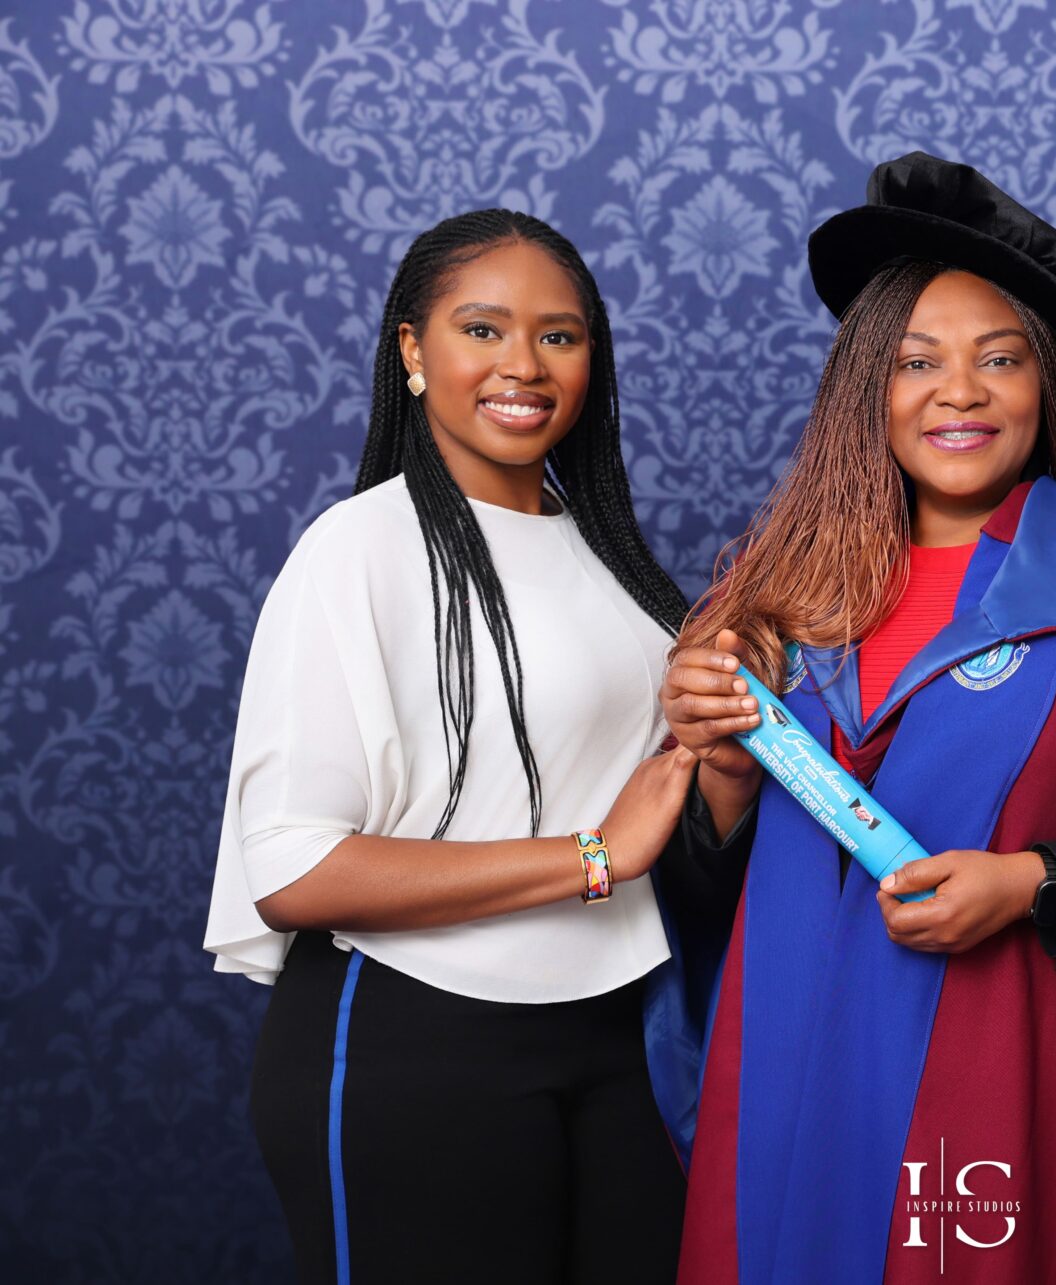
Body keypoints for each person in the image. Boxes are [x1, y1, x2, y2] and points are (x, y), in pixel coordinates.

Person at [654, 153, 1056, 1285]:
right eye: (916, 362)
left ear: (1046, 386)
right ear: (867, 387)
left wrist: (1035, 885)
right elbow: (696, 893)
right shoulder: (772, 599)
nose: (956, 393)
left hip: (1017, 1071)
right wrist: (715, 770)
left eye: (998, 359)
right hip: (790, 1069)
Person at [203, 209, 728, 1284]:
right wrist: (593, 855)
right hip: (410, 1037)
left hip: (621, 1037)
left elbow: (677, 822)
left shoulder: (619, 570)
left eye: (560, 336)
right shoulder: (358, 550)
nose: (523, 366)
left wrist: (730, 744)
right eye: (482, 330)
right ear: (412, 350)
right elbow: (296, 869)